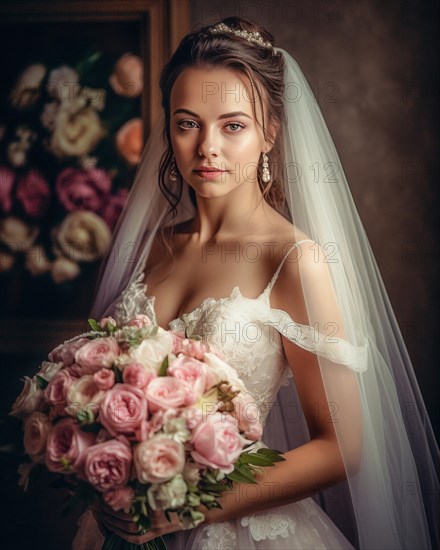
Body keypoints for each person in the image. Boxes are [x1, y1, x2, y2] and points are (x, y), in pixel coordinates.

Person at [72, 16, 439, 550]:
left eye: (233, 125)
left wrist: (188, 509)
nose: (207, 148)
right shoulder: (151, 246)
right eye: (187, 122)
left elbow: (342, 446)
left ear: (270, 132)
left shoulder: (294, 260)